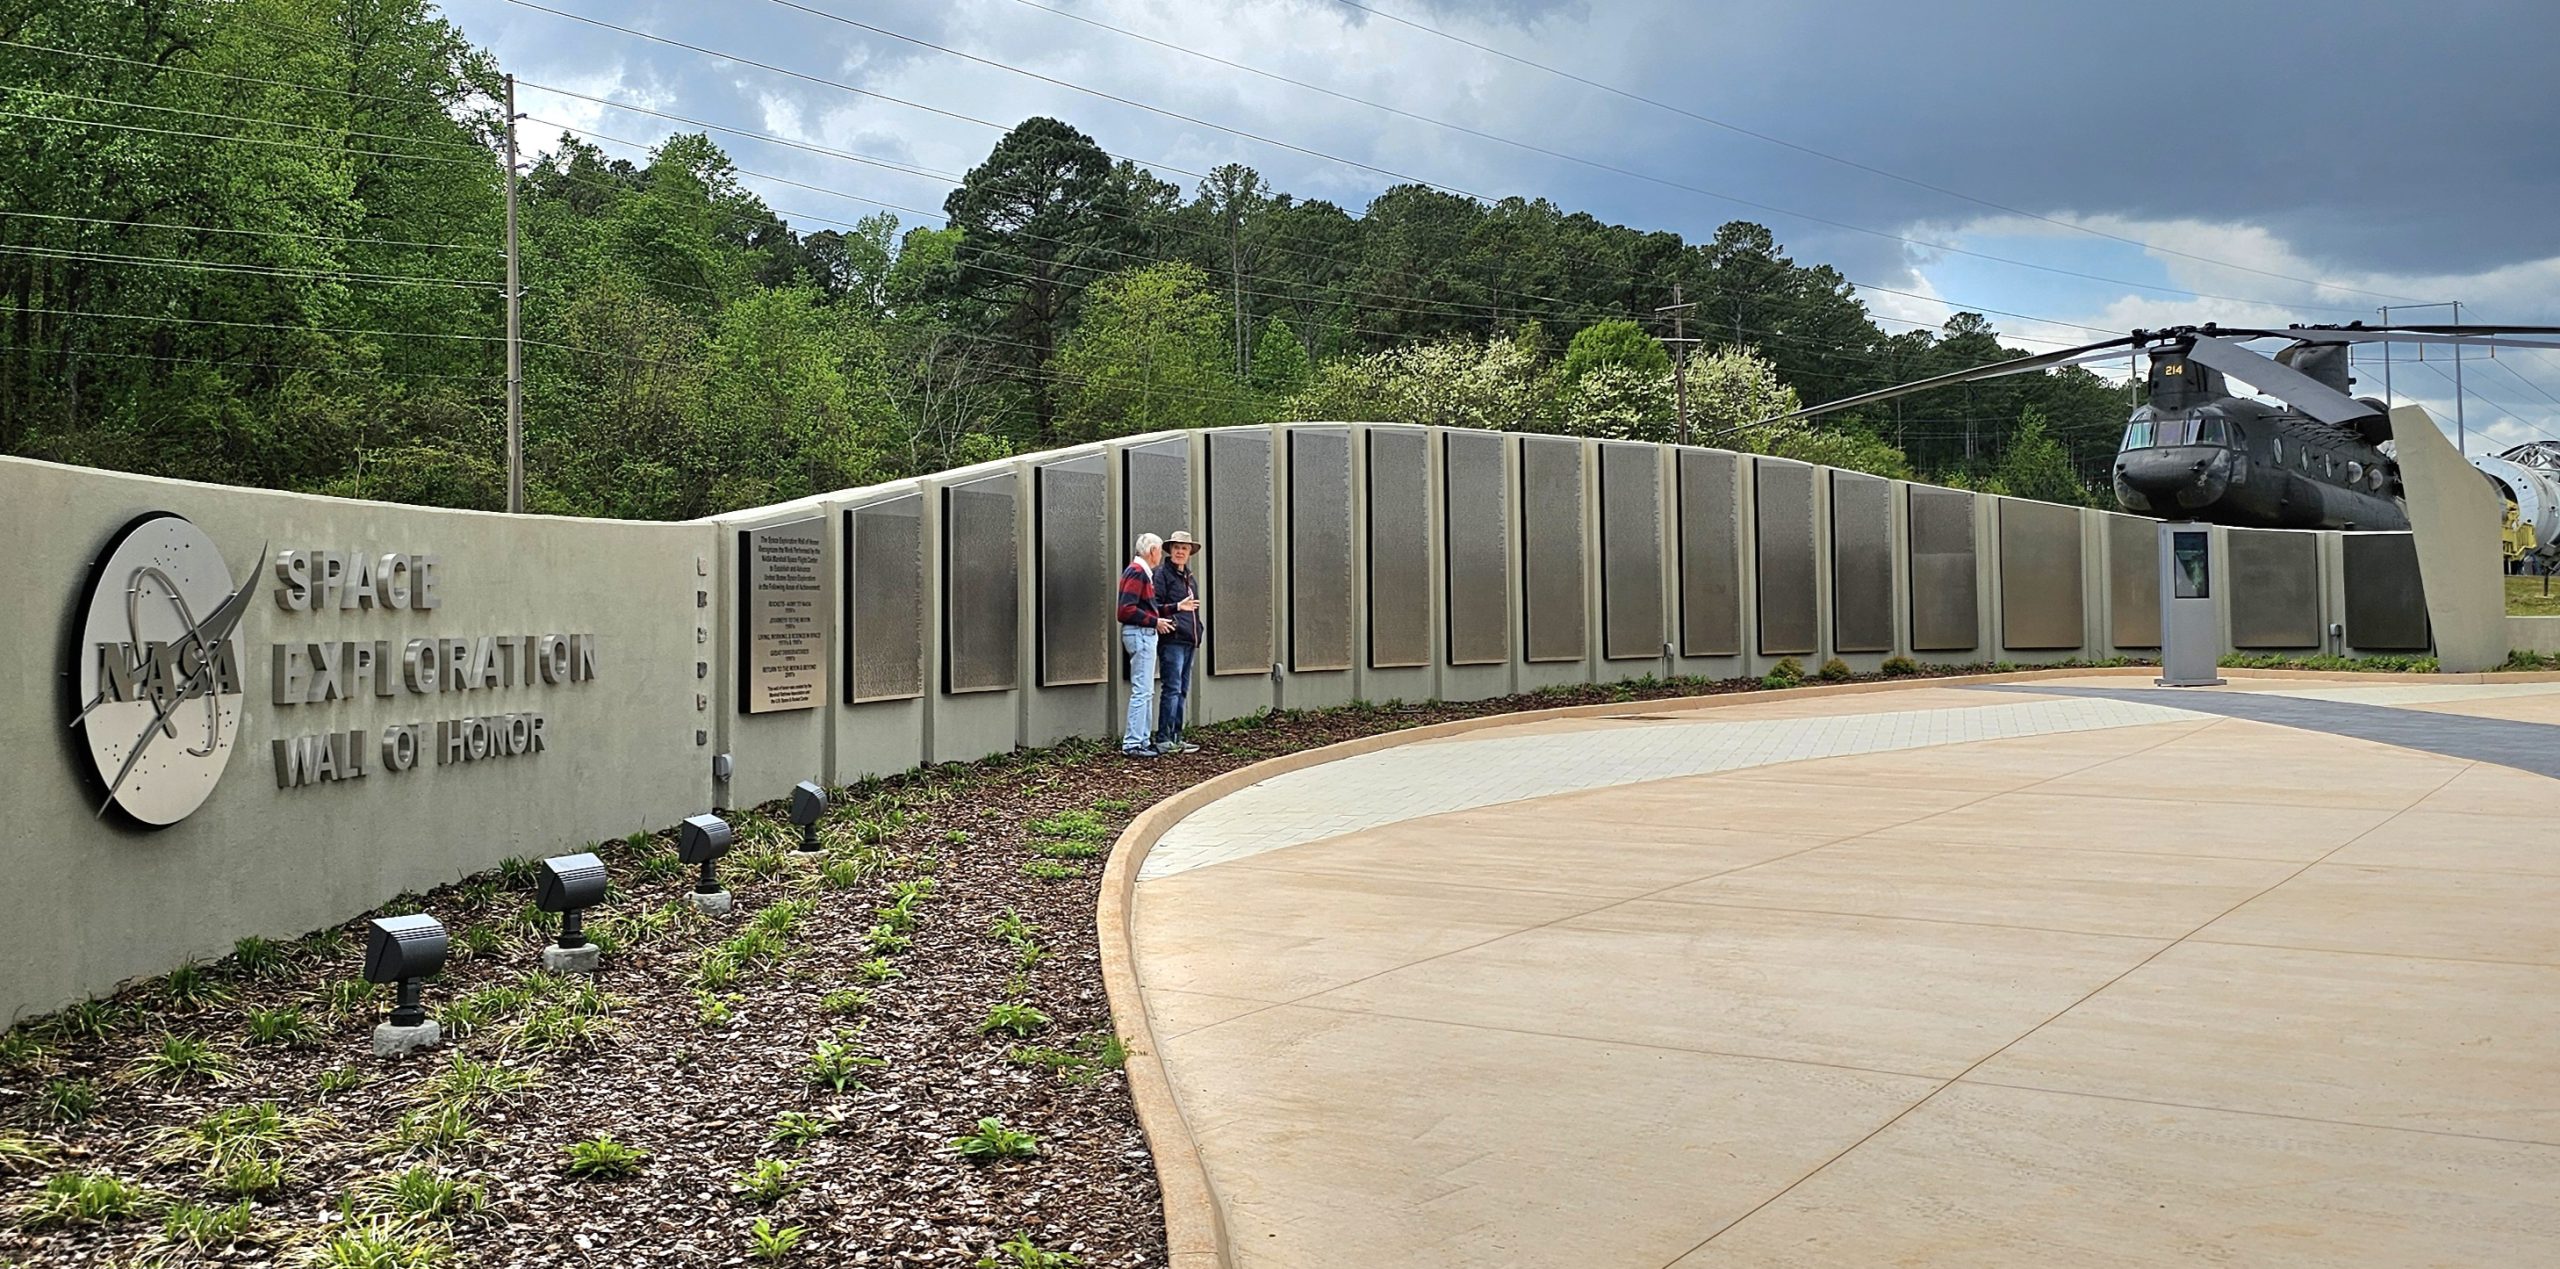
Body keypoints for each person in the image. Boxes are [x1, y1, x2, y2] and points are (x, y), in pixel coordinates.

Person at [1117, 533, 1173, 757]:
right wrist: (1154, 622)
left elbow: (1146, 608)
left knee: (1146, 690)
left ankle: (1142, 740)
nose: (1161, 555)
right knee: (1142, 690)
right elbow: (1125, 610)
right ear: (1152, 551)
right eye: (1160, 550)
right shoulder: (1138, 572)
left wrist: (1174, 608)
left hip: (1143, 633)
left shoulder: (1140, 572)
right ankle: (1133, 744)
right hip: (1141, 634)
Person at [1153, 531, 1204, 753]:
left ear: (1190, 552)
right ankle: (1163, 738)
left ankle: (1177, 736)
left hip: (1188, 639)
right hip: (1172, 639)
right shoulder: (1162, 575)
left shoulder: (1189, 578)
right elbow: (1153, 606)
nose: (1180, 551)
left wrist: (1198, 630)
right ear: (1170, 550)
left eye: (1184, 548)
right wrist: (1175, 609)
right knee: (1171, 688)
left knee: (1182, 689)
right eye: (1177, 548)